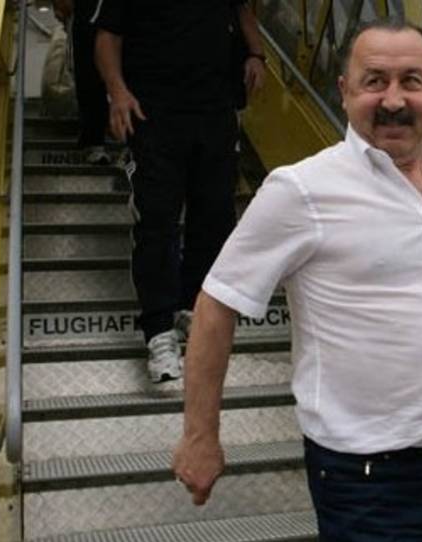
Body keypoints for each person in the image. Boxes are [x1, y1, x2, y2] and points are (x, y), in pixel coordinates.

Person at [173, 18, 422, 542]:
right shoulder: (302, 190)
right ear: (345, 91)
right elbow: (217, 302)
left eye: (411, 81)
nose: (393, 99)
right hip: (369, 482)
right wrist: (200, 435)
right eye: (374, 81)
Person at [93, 1, 266, 383]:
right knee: (156, 221)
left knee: (215, 216)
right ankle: (158, 330)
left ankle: (194, 309)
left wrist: (257, 54)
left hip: (215, 111)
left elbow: (241, 11)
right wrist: (118, 93)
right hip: (153, 114)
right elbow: (107, 37)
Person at [51, 0, 110, 164]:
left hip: (91, 17)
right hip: (92, 16)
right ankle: (93, 140)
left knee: (88, 77)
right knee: (89, 78)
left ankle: (93, 140)